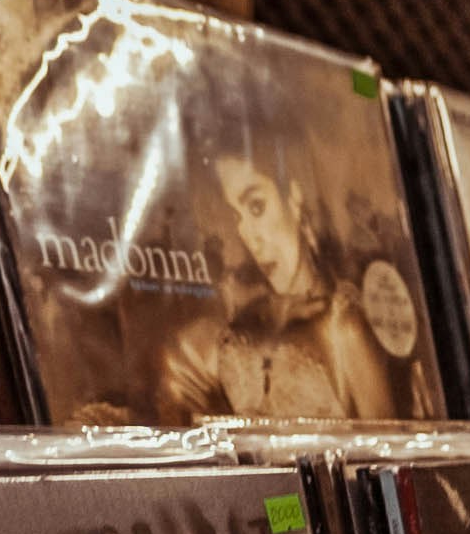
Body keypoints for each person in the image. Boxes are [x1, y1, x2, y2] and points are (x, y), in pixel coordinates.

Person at [155, 150, 436, 420]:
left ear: (295, 196)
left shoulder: (344, 325)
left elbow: (385, 458)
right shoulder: (244, 319)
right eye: (236, 218)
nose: (250, 237)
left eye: (257, 207)